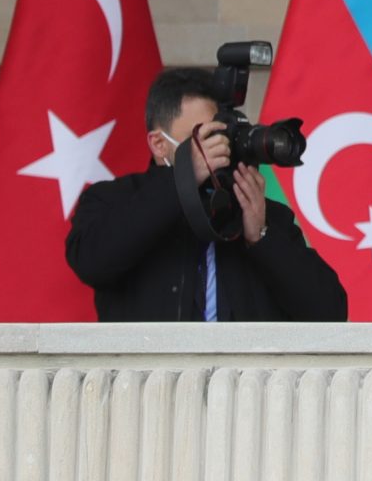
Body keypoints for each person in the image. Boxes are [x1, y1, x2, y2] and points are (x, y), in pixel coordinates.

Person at [65, 67, 347, 322]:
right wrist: (182, 184)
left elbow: (331, 311)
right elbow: (91, 261)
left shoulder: (260, 213)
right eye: (201, 138)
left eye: (220, 137)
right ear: (159, 144)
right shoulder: (113, 198)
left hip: (243, 377)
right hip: (152, 378)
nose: (216, 150)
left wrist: (262, 237)